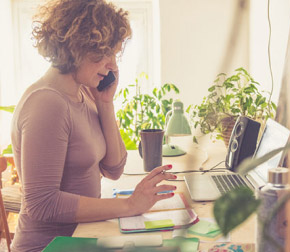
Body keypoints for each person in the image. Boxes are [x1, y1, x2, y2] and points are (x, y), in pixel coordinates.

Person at [10, 0, 176, 251]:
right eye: (104, 53)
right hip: (49, 245)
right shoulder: (46, 103)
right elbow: (41, 203)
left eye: (114, 54)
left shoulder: (85, 93)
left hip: (83, 236)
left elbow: (113, 168)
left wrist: (105, 104)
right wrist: (130, 205)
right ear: (77, 46)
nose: (113, 65)